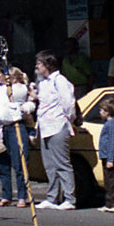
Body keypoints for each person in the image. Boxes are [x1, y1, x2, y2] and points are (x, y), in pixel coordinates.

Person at [32, 51, 78, 209]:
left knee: (62, 163)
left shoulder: (60, 80)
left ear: (47, 65)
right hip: (45, 126)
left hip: (57, 126)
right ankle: (52, 197)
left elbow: (68, 102)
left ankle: (69, 199)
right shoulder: (43, 83)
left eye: (39, 64)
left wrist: (68, 120)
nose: (37, 67)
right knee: (49, 165)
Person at [0, 66, 31, 206]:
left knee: (19, 161)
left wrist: (24, 108)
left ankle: (22, 196)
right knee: (1, 162)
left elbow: (28, 103)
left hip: (15, 126)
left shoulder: (19, 89)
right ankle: (6, 195)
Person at [97, 97, 114, 212]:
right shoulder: (108, 123)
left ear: (107, 112)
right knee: (108, 181)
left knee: (113, 181)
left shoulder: (113, 124)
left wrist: (110, 159)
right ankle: (109, 203)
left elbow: (112, 142)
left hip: (110, 156)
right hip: (105, 156)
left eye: (101, 110)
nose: (100, 112)